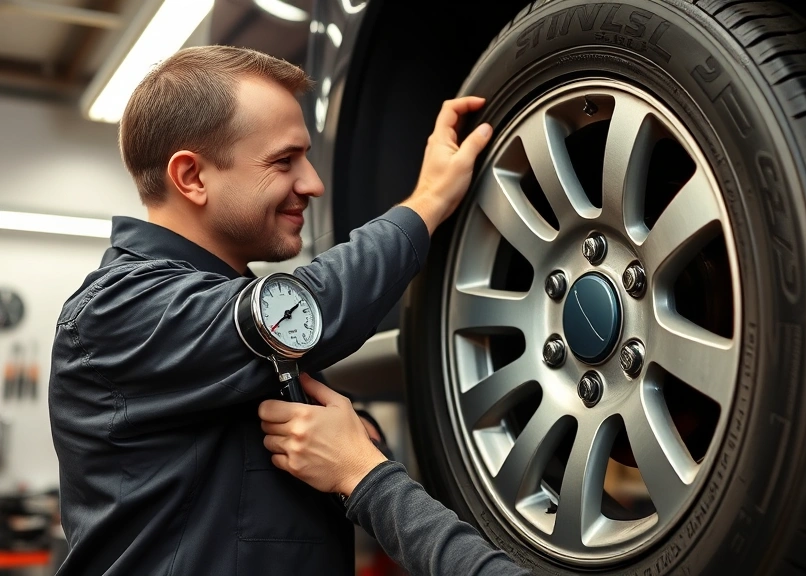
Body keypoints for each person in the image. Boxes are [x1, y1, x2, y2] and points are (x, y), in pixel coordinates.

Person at [47, 45, 524, 575]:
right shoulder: (117, 311)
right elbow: (306, 309)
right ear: (192, 177)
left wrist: (355, 445)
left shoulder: (229, 325)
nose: (313, 184)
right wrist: (428, 201)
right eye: (283, 161)